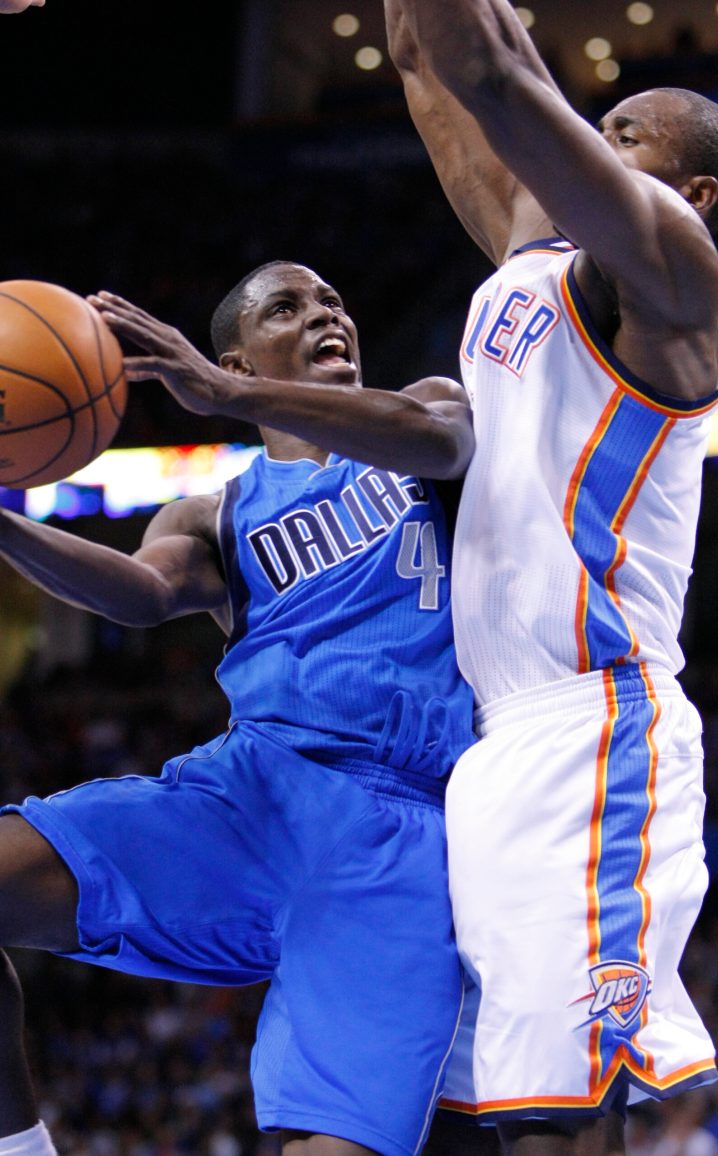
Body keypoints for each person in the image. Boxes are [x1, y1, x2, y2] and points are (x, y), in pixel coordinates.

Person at [0, 260, 477, 1156]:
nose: (325, 314)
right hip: (245, 795)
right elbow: (142, 593)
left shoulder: (424, 409)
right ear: (243, 357)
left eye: (333, 300)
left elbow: (446, 441)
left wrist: (216, 394)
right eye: (287, 308)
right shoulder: (210, 515)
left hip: (395, 829)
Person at [385, 1, 718, 1153]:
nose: (597, 134)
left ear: (686, 192)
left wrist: (510, 60)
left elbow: (496, 76)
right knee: (516, 1109)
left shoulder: (678, 280)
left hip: (599, 721)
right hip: (495, 738)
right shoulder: (527, 262)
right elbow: (422, 53)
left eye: (627, 132)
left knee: (566, 1112)